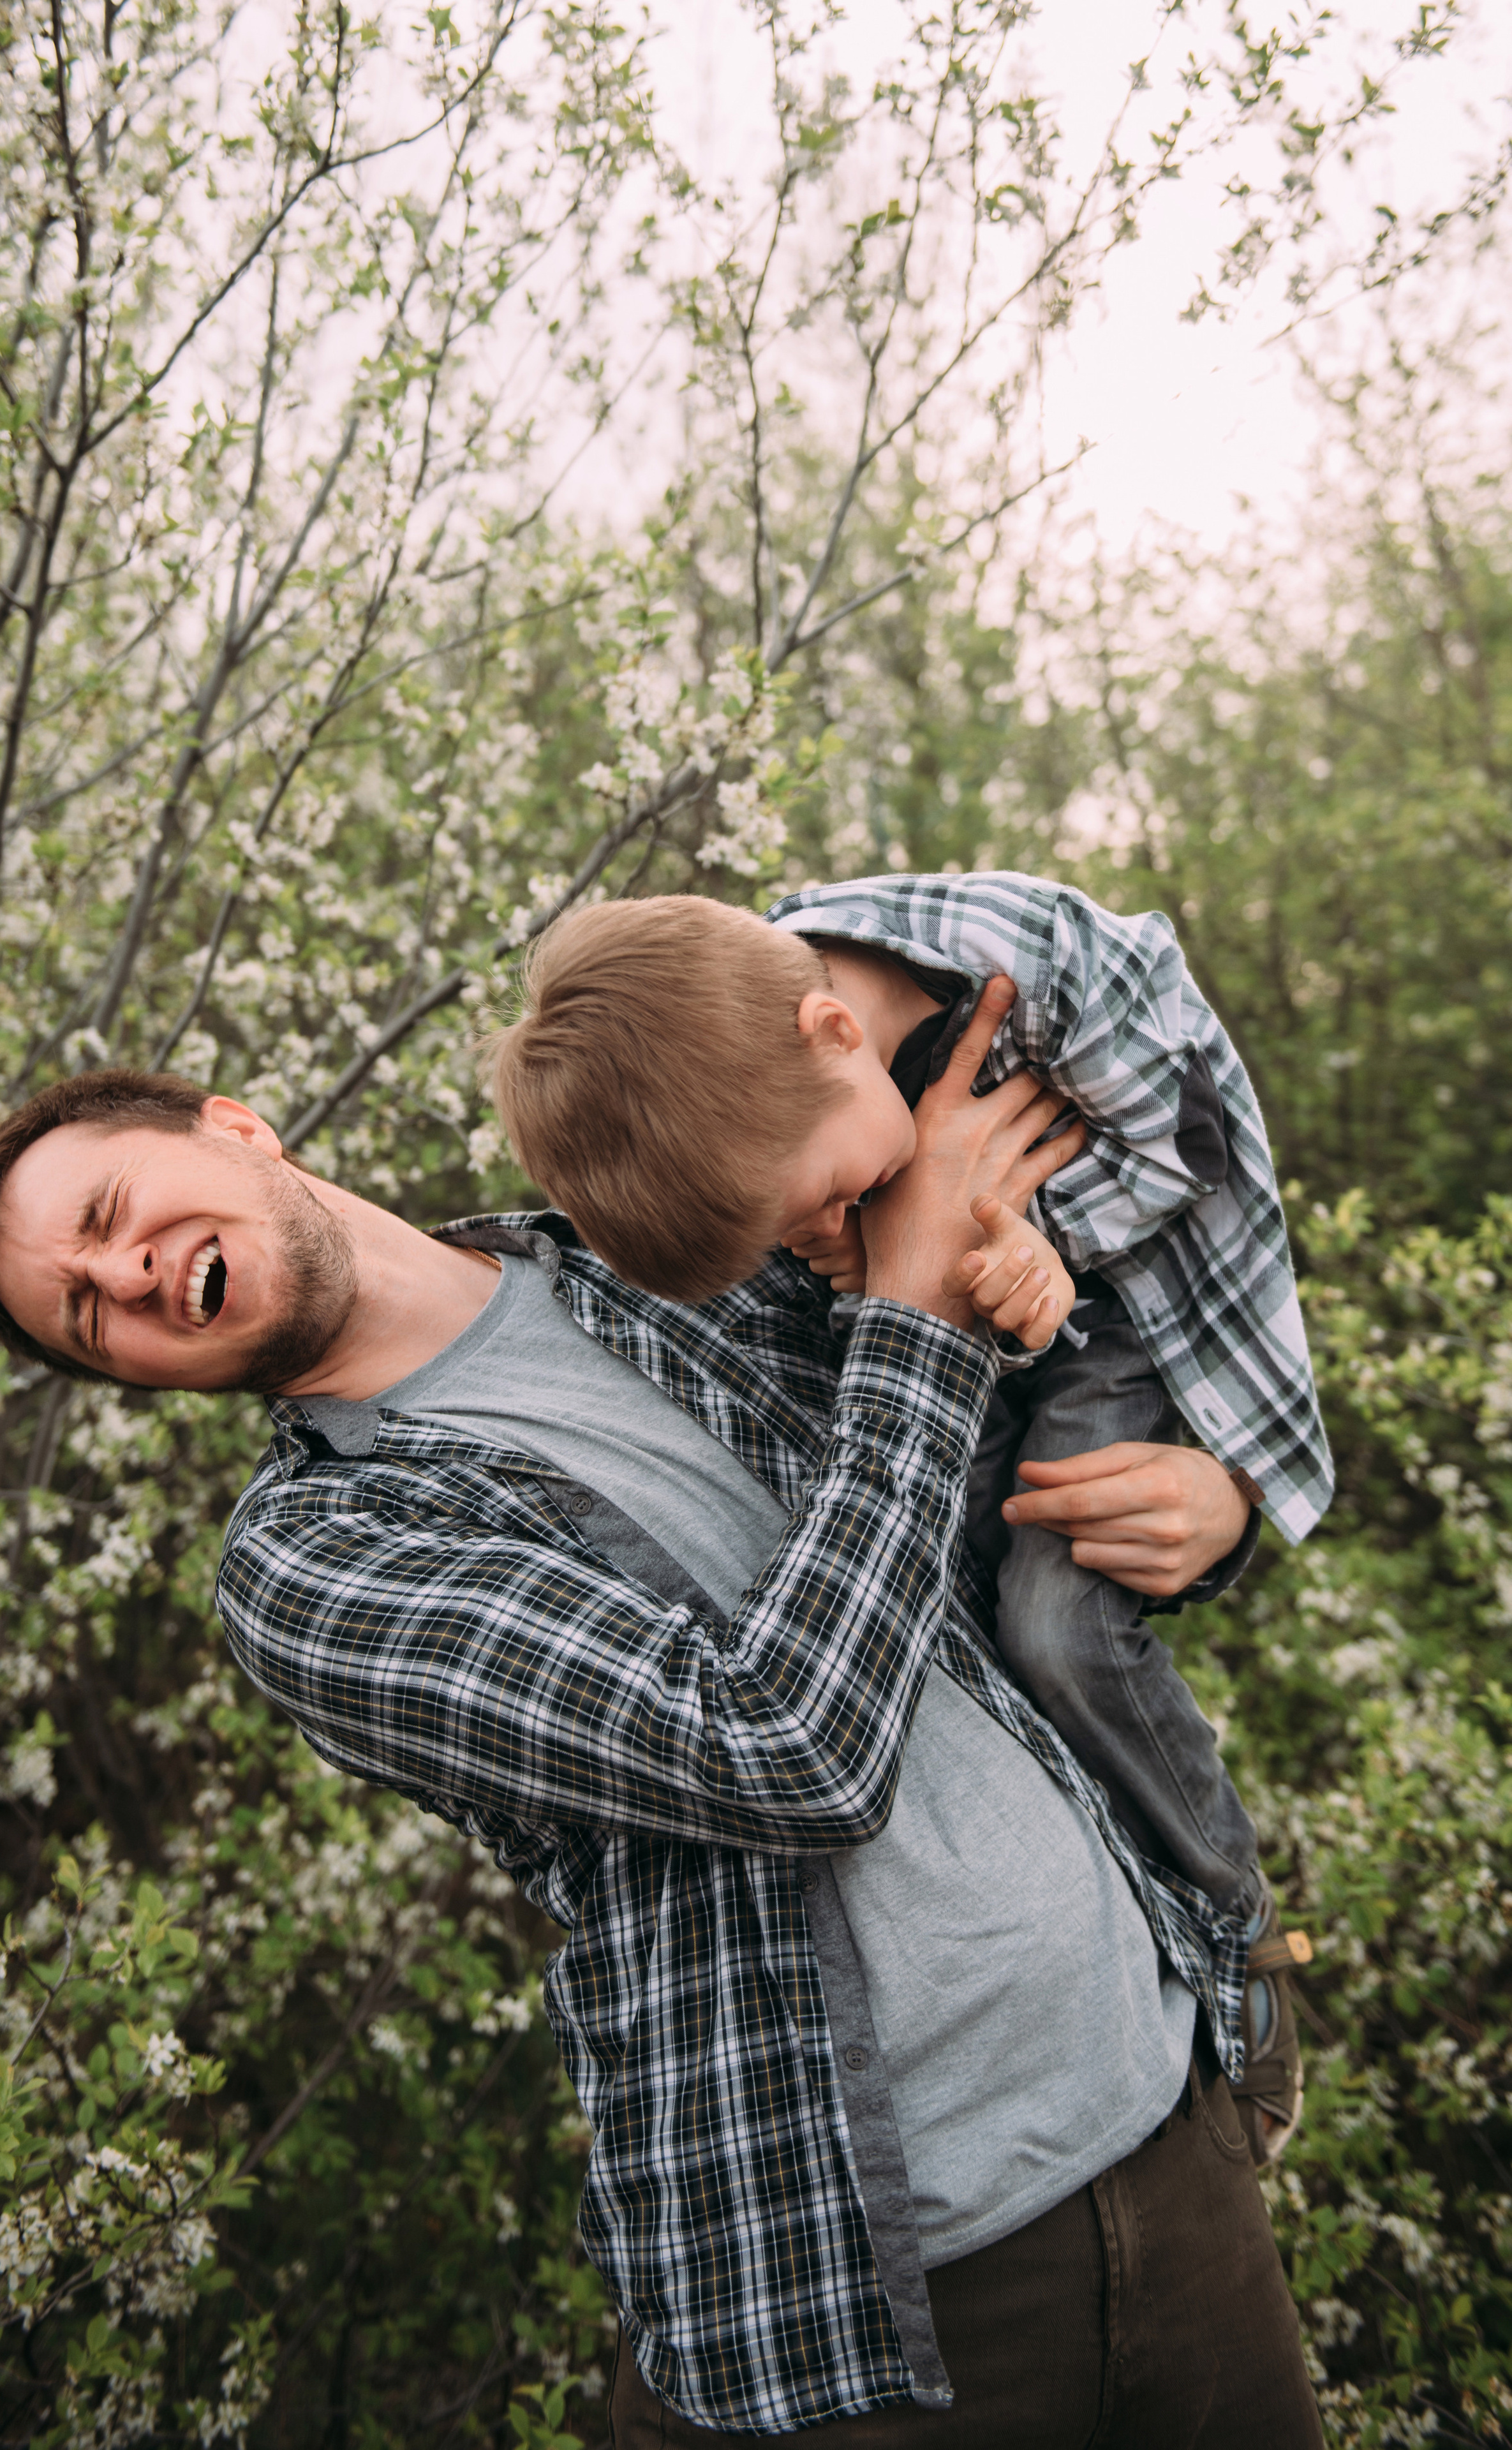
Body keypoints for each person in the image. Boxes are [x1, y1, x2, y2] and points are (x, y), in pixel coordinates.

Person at [0, 1009, 1324, 2448]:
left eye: (108, 1215)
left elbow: (956, 1500)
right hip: (880, 2299)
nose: (125, 1277)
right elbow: (784, 1747)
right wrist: (912, 1312)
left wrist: (1209, 1502)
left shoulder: (645, 1245)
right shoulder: (313, 1563)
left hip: (1170, 2113)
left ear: (231, 1127)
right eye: (88, 1315)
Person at [489, 877, 1330, 2157]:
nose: (831, 1234)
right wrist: (911, 1257)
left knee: (1053, 1623)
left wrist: (1001, 1228)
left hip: (1134, 1312)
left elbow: (1189, 1141)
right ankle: (1127, 1915)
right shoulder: (752, 1102)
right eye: (801, 1231)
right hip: (976, 1332)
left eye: (831, 1200)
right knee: (942, 1597)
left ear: (834, 1031)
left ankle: (1233, 1927)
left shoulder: (1031, 962)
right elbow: (857, 1284)